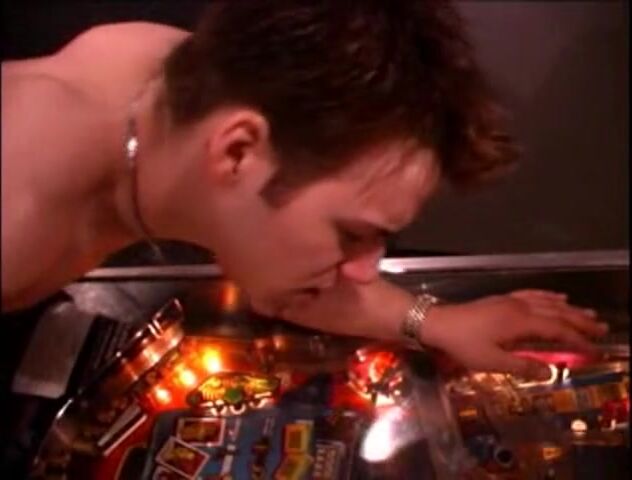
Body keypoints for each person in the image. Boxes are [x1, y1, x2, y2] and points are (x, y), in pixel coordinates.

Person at [1, 1, 607, 379]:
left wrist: (437, 320)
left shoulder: (193, 90)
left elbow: (281, 276)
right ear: (238, 151)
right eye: (351, 234)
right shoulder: (17, 215)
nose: (364, 270)